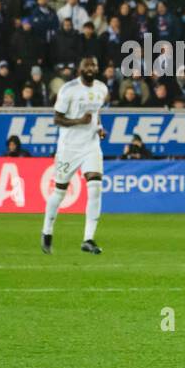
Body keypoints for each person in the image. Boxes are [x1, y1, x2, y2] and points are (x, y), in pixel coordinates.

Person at [41, 56, 108, 255]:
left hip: (91, 145)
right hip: (68, 148)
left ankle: (88, 239)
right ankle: (47, 230)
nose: (90, 68)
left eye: (93, 65)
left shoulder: (101, 89)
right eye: (86, 65)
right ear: (79, 68)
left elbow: (96, 113)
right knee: (60, 192)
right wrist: (79, 121)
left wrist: (99, 127)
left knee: (95, 188)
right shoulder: (68, 89)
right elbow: (57, 118)